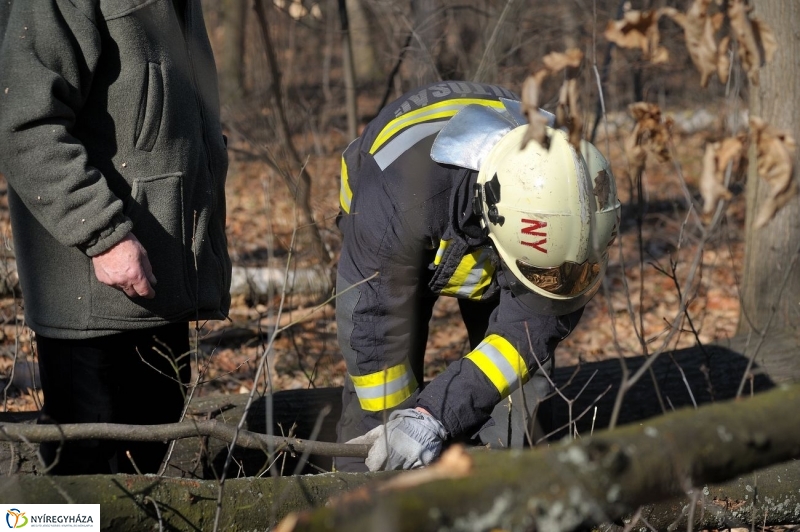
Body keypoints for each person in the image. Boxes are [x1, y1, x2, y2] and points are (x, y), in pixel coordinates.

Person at [335, 81, 620, 472]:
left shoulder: (570, 187)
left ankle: (508, 493)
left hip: (493, 232)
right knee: (380, 405)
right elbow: (371, 328)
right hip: (399, 242)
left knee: (523, 392)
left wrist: (435, 414)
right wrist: (393, 430)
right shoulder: (396, 201)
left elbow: (533, 326)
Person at [0, 0, 231, 475]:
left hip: (157, 280)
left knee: (142, 469)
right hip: (95, 287)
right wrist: (102, 235)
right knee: (84, 485)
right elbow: (25, 124)